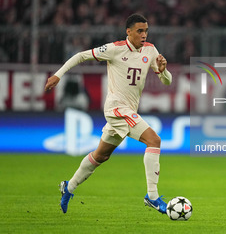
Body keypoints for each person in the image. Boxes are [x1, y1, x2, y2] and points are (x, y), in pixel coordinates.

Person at [44, 13, 172, 214]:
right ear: (128, 32)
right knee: (154, 140)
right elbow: (81, 56)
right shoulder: (114, 49)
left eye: (146, 31)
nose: (144, 35)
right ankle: (152, 196)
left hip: (127, 110)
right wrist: (58, 75)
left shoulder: (150, 50)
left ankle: (68, 187)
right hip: (117, 108)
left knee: (101, 156)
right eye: (140, 31)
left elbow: (167, 81)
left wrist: (163, 71)